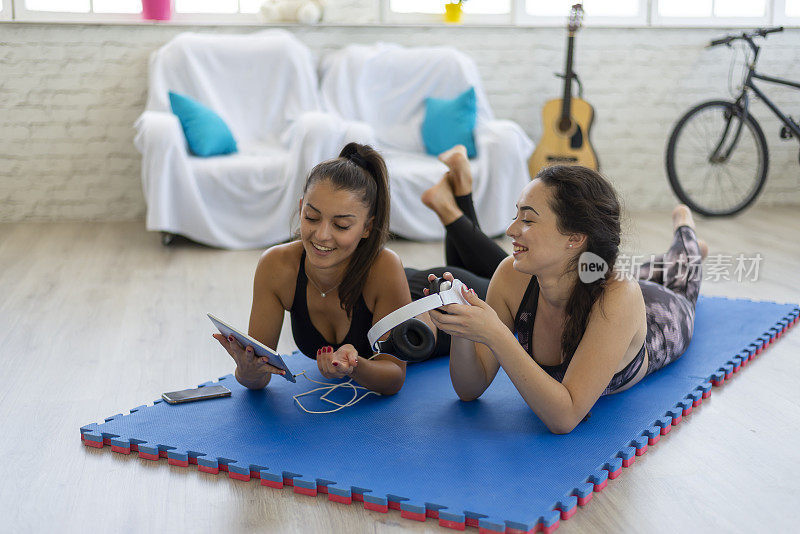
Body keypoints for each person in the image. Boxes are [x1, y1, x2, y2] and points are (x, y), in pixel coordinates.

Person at [417, 145, 709, 434]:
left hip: (661, 316)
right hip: (593, 277)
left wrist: (495, 333)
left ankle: (685, 228)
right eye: (516, 216)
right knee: (634, 273)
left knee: (683, 270)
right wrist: (462, 330)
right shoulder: (510, 275)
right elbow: (469, 388)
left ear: (574, 238)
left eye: (528, 220)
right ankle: (666, 260)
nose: (511, 231)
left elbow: (565, 416)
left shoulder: (618, 295)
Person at [214, 143, 432, 395]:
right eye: (312, 218)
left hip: (426, 296)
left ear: (367, 228)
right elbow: (259, 378)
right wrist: (246, 369)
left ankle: (454, 201)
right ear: (300, 208)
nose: (322, 235)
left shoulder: (385, 266)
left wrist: (355, 365)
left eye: (341, 225)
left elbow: (393, 377)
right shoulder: (276, 266)